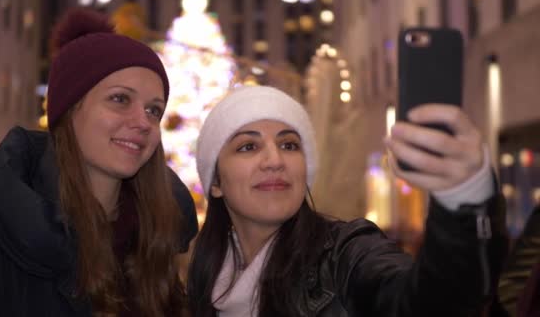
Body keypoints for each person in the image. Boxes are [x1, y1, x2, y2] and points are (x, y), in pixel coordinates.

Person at [0, 8, 197, 316]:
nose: (143, 122)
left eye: (154, 110)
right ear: (69, 110)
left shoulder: (157, 247)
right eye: (120, 99)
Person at [187, 85, 508, 316]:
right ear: (215, 182)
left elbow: (428, 303)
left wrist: (464, 198)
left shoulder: (346, 253)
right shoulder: (204, 277)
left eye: (288, 145)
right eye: (248, 147)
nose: (274, 160)